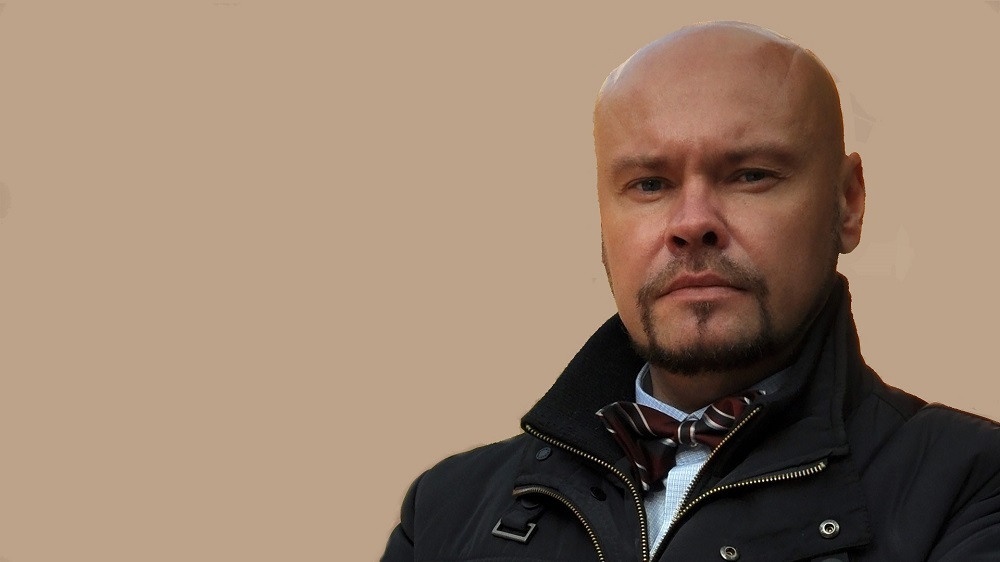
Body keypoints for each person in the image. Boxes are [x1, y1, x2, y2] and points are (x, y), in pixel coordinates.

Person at [381, 21, 1000, 561]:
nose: (692, 222)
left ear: (848, 202)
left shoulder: (971, 485)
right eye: (649, 184)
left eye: (750, 174)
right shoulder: (443, 510)